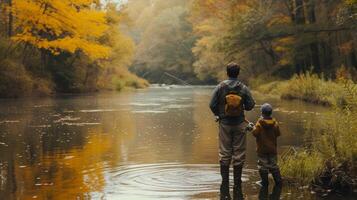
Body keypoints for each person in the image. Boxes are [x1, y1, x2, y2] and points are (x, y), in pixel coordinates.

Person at [209, 62, 255, 200]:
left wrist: (218, 114)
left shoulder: (220, 87)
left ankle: (224, 182)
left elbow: (212, 104)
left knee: (224, 153)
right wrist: (242, 107)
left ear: (227, 72)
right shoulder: (243, 88)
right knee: (239, 154)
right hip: (240, 124)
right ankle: (237, 182)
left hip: (224, 124)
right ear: (238, 73)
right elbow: (251, 105)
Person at [251, 103, 282, 187]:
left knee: (263, 166)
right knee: (274, 165)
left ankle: (264, 182)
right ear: (271, 113)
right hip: (272, 149)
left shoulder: (259, 124)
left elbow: (255, 133)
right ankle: (278, 181)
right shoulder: (275, 124)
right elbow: (278, 134)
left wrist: (252, 127)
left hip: (262, 150)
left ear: (262, 113)